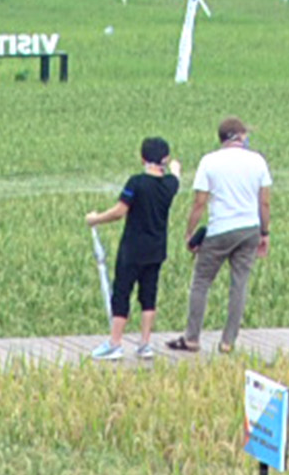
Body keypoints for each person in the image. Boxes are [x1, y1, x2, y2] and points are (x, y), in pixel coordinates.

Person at [166, 117, 271, 357]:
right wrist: (264, 233)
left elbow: (199, 202)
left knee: (201, 282)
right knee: (239, 284)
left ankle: (192, 338)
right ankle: (228, 341)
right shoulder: (257, 161)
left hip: (220, 229)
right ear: (238, 136)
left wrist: (190, 232)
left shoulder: (209, 161)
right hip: (249, 228)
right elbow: (264, 202)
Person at [87, 133, 179, 362]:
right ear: (165, 159)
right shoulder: (169, 185)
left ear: (142, 158)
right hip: (157, 249)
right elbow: (175, 177)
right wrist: (175, 168)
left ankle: (115, 343)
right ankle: (145, 344)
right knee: (149, 295)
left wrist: (96, 219)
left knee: (122, 293)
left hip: (133, 248)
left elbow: (119, 212)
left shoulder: (136, 183)